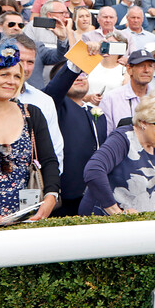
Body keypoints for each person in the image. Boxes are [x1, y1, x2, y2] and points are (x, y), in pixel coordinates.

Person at [0, 41, 61, 223]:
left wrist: (50, 197)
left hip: (27, 220)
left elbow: (49, 161)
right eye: (4, 74)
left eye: (17, 76)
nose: (12, 81)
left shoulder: (31, 114)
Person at [78, 90, 155, 215]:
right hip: (104, 224)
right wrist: (116, 212)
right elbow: (93, 170)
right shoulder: (123, 139)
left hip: (137, 228)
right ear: (144, 122)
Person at [44, 61, 108, 216]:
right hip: (65, 196)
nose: (80, 78)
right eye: (74, 74)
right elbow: (54, 91)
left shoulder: (97, 114)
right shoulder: (54, 105)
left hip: (95, 194)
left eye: (83, 73)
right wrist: (78, 57)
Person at [100, 49, 155, 134]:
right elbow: (105, 134)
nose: (146, 70)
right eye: (141, 65)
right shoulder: (111, 99)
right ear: (129, 69)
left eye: (150, 66)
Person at [86, 32, 128, 101]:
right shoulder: (91, 64)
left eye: (112, 44)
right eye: (105, 43)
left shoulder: (124, 71)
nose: (107, 47)